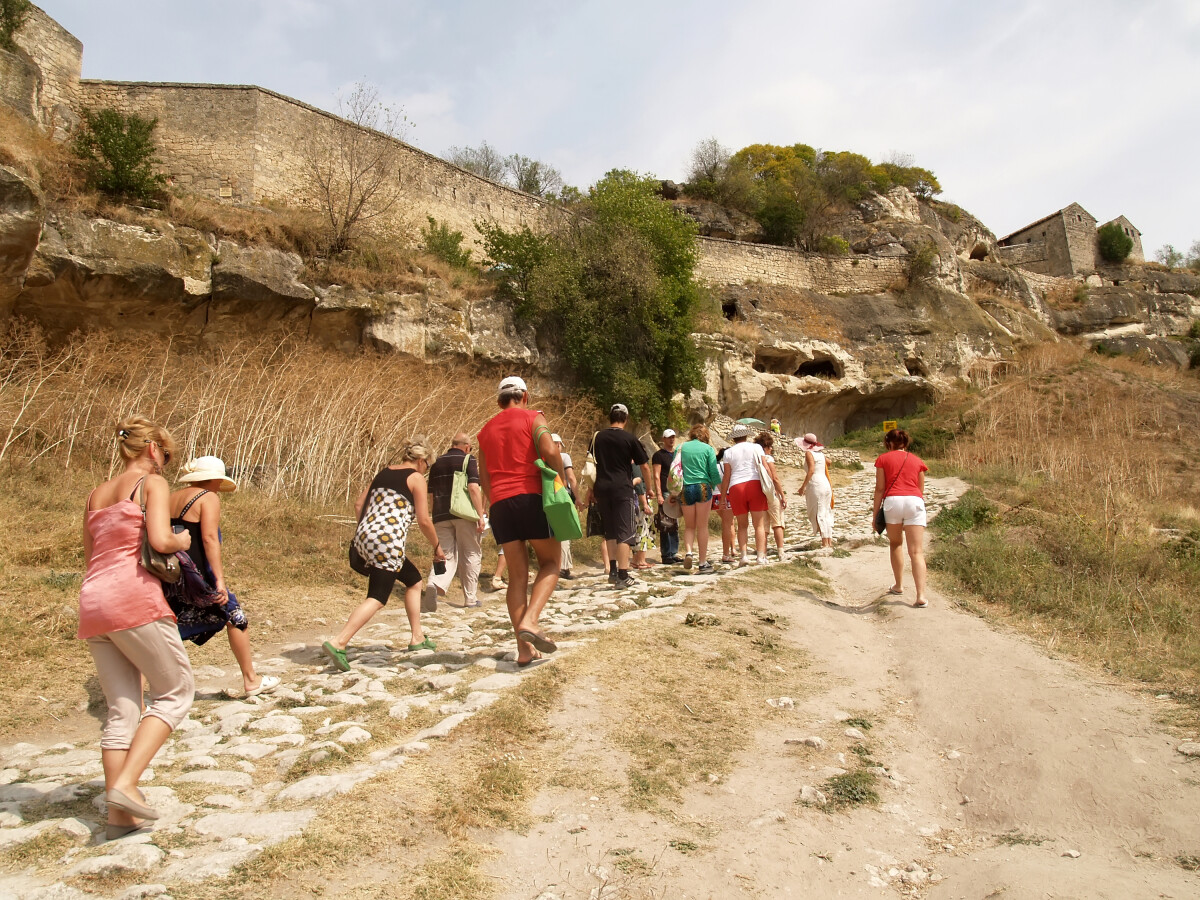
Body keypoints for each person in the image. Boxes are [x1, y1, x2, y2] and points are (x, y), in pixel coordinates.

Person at [79, 416, 194, 838]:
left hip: (93, 601)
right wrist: (182, 541)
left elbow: (91, 554)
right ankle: (128, 785)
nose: (165, 463)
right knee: (176, 692)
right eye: (166, 454)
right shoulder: (151, 484)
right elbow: (161, 541)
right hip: (133, 599)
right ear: (151, 450)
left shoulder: (95, 495)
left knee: (122, 709)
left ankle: (118, 819)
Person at [323, 438, 446, 670]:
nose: (426, 470)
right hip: (388, 541)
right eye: (427, 465)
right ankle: (339, 642)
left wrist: (368, 531)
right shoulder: (416, 478)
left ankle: (417, 636)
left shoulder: (383, 472)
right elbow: (424, 520)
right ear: (421, 461)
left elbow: (359, 505)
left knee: (414, 580)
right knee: (378, 597)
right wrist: (437, 546)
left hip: (364, 536)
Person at [168, 456, 279, 697]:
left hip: (171, 574)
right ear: (215, 479)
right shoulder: (208, 498)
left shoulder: (171, 497)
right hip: (196, 574)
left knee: (164, 627)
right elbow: (209, 539)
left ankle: (139, 696)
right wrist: (219, 580)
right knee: (235, 615)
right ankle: (251, 679)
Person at [477, 375, 566, 666]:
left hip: (501, 505)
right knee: (552, 563)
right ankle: (531, 620)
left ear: (498, 401)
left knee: (516, 577)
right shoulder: (533, 418)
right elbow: (552, 451)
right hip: (531, 498)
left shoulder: (485, 431)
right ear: (525, 396)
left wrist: (495, 504)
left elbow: (485, 478)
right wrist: (561, 482)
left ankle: (524, 649)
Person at [587, 403, 652, 589]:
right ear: (625, 418)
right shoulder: (629, 438)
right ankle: (623, 575)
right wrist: (648, 489)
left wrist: (590, 490)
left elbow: (590, 466)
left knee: (610, 532)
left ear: (610, 417)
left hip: (601, 489)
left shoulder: (596, 437)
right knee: (625, 532)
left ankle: (613, 572)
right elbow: (644, 466)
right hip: (622, 488)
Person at [427, 433, 487, 607]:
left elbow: (431, 492)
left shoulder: (436, 462)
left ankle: (434, 583)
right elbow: (474, 488)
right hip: (464, 514)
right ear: (467, 446)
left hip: (440, 514)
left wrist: (434, 513)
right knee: (471, 553)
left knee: (444, 554)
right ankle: (470, 598)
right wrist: (480, 514)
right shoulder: (469, 459)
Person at [873, 428, 930, 608]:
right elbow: (920, 489)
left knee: (896, 544)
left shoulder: (883, 459)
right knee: (917, 552)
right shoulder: (918, 461)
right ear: (905, 443)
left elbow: (880, 488)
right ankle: (920, 595)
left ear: (888, 443)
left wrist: (875, 515)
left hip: (893, 502)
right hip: (914, 501)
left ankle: (898, 585)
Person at [720, 423, 770, 564]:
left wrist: (723, 497)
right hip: (754, 483)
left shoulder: (728, 452)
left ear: (733, 438)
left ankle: (743, 556)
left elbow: (726, 476)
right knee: (758, 524)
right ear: (746, 435)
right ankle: (760, 556)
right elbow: (765, 467)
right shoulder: (756, 447)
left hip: (736, 486)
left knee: (742, 525)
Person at [678, 423, 720, 573]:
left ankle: (688, 552)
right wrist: (720, 489)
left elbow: (675, 468)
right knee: (702, 526)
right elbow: (714, 472)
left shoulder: (681, 447)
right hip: (703, 487)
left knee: (689, 526)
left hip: (686, 488)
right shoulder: (708, 449)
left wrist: (672, 492)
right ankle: (702, 563)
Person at [796, 433, 834, 551]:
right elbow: (829, 462)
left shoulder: (809, 453)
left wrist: (803, 486)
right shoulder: (821, 454)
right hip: (825, 484)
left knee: (819, 512)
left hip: (816, 484)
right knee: (826, 511)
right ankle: (828, 540)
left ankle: (824, 542)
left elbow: (811, 470)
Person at [754, 432, 789, 559]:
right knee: (777, 522)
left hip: (759, 494)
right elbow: (774, 478)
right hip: (771, 493)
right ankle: (781, 552)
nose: (771, 449)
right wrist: (782, 495)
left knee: (763, 526)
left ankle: (762, 552)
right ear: (766, 447)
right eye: (770, 447)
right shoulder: (768, 459)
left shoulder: (754, 459)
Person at [650, 429, 680, 564]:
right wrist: (659, 494)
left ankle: (673, 552)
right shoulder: (658, 455)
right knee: (665, 523)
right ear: (663, 439)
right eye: (669, 438)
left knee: (675, 523)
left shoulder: (678, 455)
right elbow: (656, 476)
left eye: (673, 437)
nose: (671, 440)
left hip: (677, 491)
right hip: (665, 490)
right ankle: (666, 554)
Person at [552, 434, 578, 579]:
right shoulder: (564, 457)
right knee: (565, 533)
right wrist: (578, 497)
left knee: (553, 533)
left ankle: (554, 564)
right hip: (562, 496)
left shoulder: (542, 458)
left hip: (547, 498)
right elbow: (571, 478)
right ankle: (564, 567)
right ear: (557, 444)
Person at [631, 466, 656, 569]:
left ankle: (635, 560)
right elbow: (639, 486)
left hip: (632, 500)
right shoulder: (636, 464)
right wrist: (645, 504)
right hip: (640, 500)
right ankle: (641, 560)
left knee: (636, 530)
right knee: (643, 530)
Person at [714, 448, 735, 564]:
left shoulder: (715, 465)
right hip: (725, 495)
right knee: (728, 523)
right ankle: (728, 552)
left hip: (713, 495)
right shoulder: (728, 466)